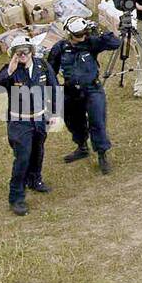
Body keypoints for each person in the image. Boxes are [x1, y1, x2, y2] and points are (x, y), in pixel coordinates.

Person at [0, 36, 56, 215]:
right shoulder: (10, 70)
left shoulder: (41, 66)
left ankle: (35, 180)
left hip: (39, 119)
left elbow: (53, 87)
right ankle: (16, 197)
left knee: (38, 152)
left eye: (25, 51)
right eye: (18, 52)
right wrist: (9, 72)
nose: (22, 55)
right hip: (19, 121)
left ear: (31, 51)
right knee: (22, 157)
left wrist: (54, 113)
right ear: (13, 54)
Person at [49, 16, 119, 174]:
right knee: (73, 122)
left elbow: (116, 43)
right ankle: (82, 147)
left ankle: (102, 154)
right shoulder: (60, 48)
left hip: (92, 89)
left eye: (83, 33)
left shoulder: (91, 43)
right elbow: (51, 70)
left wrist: (101, 34)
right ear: (69, 33)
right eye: (78, 35)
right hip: (70, 91)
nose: (82, 37)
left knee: (97, 121)